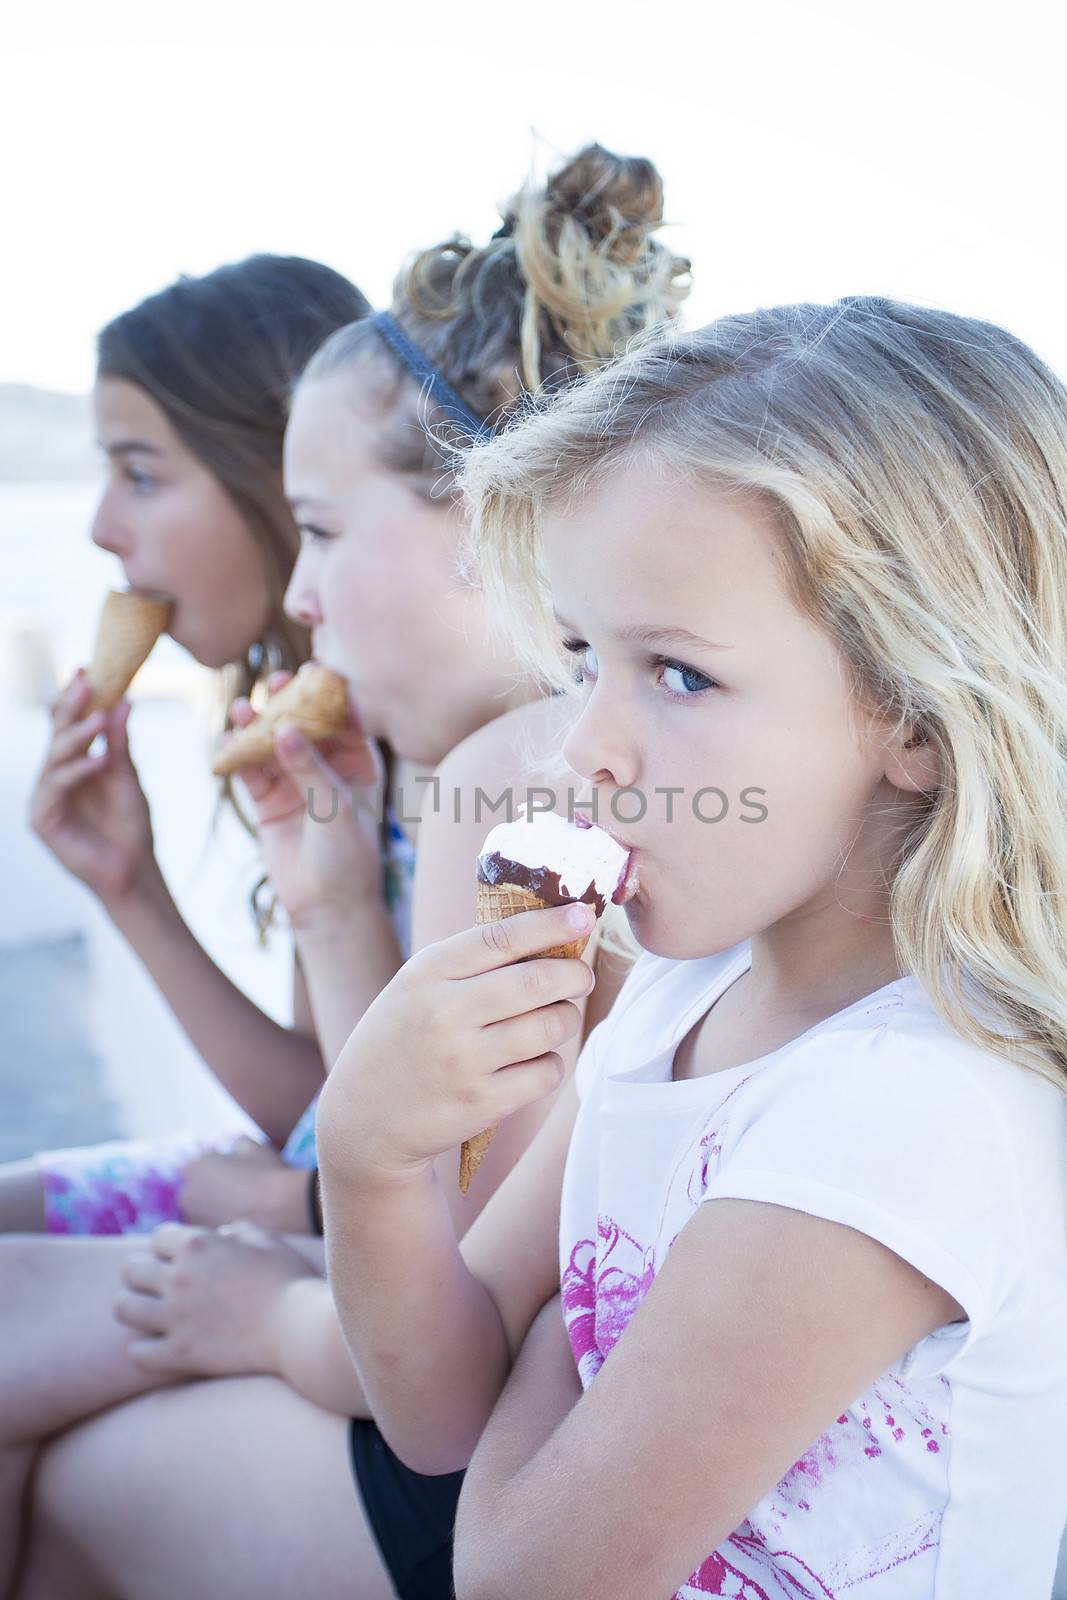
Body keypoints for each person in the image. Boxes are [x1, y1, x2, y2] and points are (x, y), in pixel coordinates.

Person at [5, 143, 690, 1600]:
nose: (305, 598)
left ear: (490, 524)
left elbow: (433, 1272)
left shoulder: (513, 776)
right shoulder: (484, 761)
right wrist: (312, 897)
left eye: (321, 531)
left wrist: (263, 1257)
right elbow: (381, 1147)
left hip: (466, 1461)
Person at [309, 297, 1067, 1598]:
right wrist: (373, 1162)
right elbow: (438, 1412)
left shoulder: (901, 1110)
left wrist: (555, 1326)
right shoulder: (677, 989)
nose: (578, 745)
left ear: (919, 719)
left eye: (674, 674)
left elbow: (517, 1576)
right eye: (579, 659)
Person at [11, 254, 373, 1238]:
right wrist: (126, 881)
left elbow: (396, 1168)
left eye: (139, 474)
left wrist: (275, 1204)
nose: (97, 529)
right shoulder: (296, 729)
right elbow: (316, 1104)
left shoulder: (414, 746)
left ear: (282, 476)